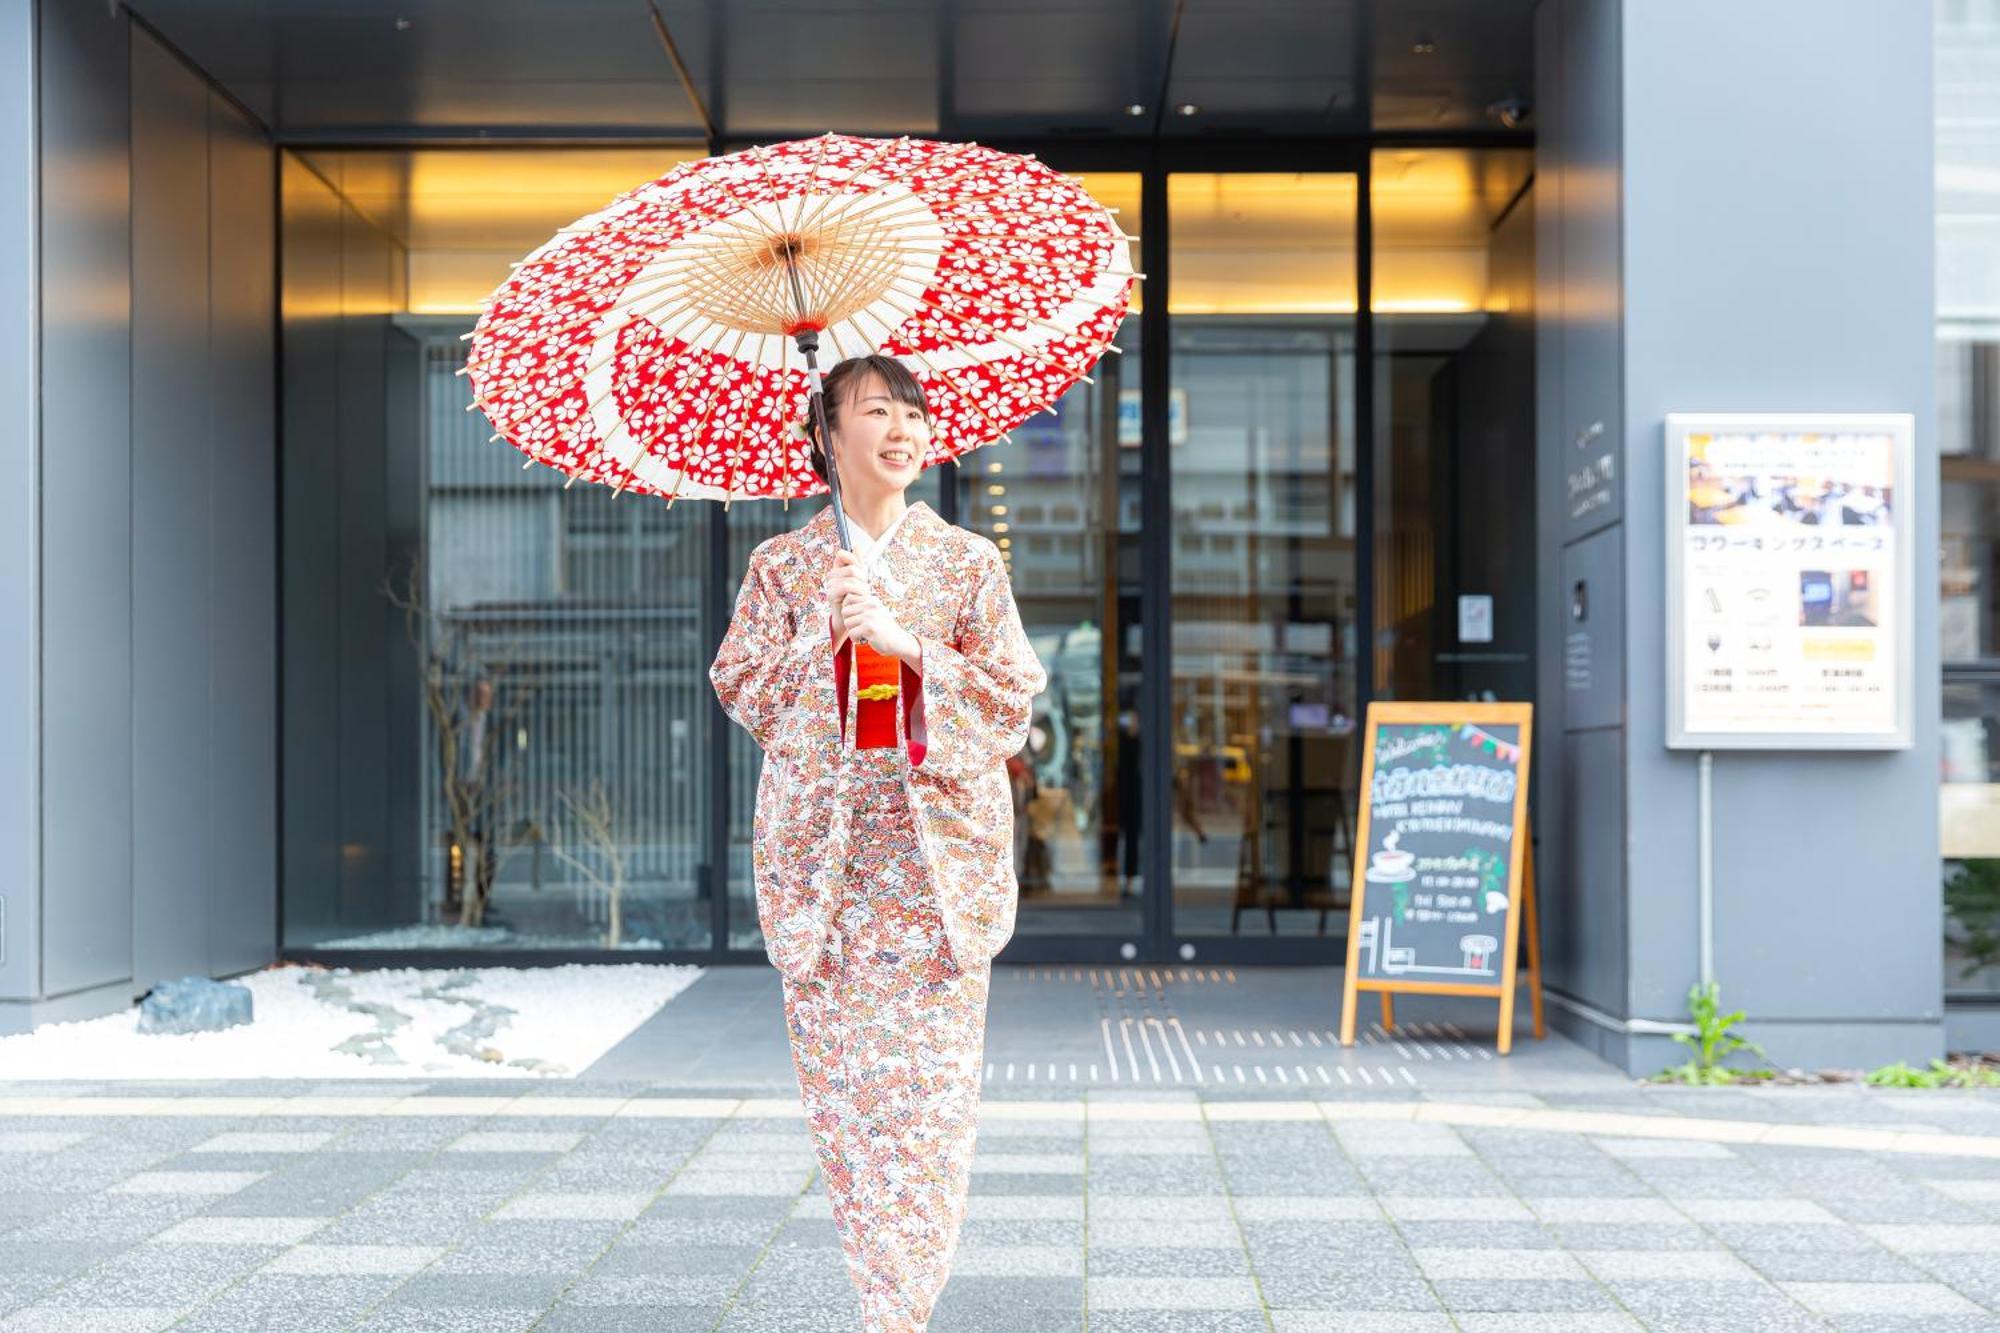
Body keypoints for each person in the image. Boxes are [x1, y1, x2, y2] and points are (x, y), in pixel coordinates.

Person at [708, 354, 1047, 1333]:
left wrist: (904, 644)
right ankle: (882, 1301)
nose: (901, 428)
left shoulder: (966, 562)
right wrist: (822, 631)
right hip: (829, 873)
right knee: (850, 1108)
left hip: (931, 872)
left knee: (933, 1106)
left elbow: (1009, 705)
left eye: (912, 411)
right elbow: (742, 690)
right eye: (874, 411)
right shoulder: (784, 566)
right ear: (826, 433)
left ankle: (903, 1308)